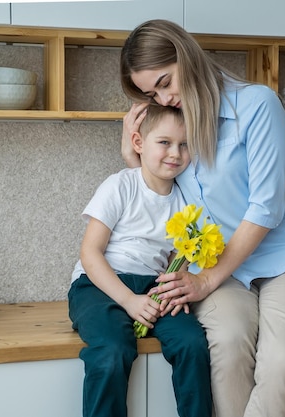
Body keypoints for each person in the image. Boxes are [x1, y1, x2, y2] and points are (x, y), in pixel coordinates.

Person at [119, 19, 285, 417]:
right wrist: (134, 156)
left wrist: (205, 280)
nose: (164, 98)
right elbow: (158, 198)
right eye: (152, 93)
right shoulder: (172, 125)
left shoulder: (257, 104)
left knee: (282, 359)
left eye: (165, 82)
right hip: (216, 271)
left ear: (185, 54)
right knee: (229, 350)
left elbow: (265, 208)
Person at [68, 104, 212, 417]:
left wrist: (171, 287)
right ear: (138, 144)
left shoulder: (186, 202)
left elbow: (179, 258)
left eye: (184, 144)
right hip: (99, 286)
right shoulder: (120, 185)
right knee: (112, 350)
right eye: (165, 142)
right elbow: (90, 254)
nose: (175, 152)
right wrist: (129, 301)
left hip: (154, 288)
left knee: (192, 343)